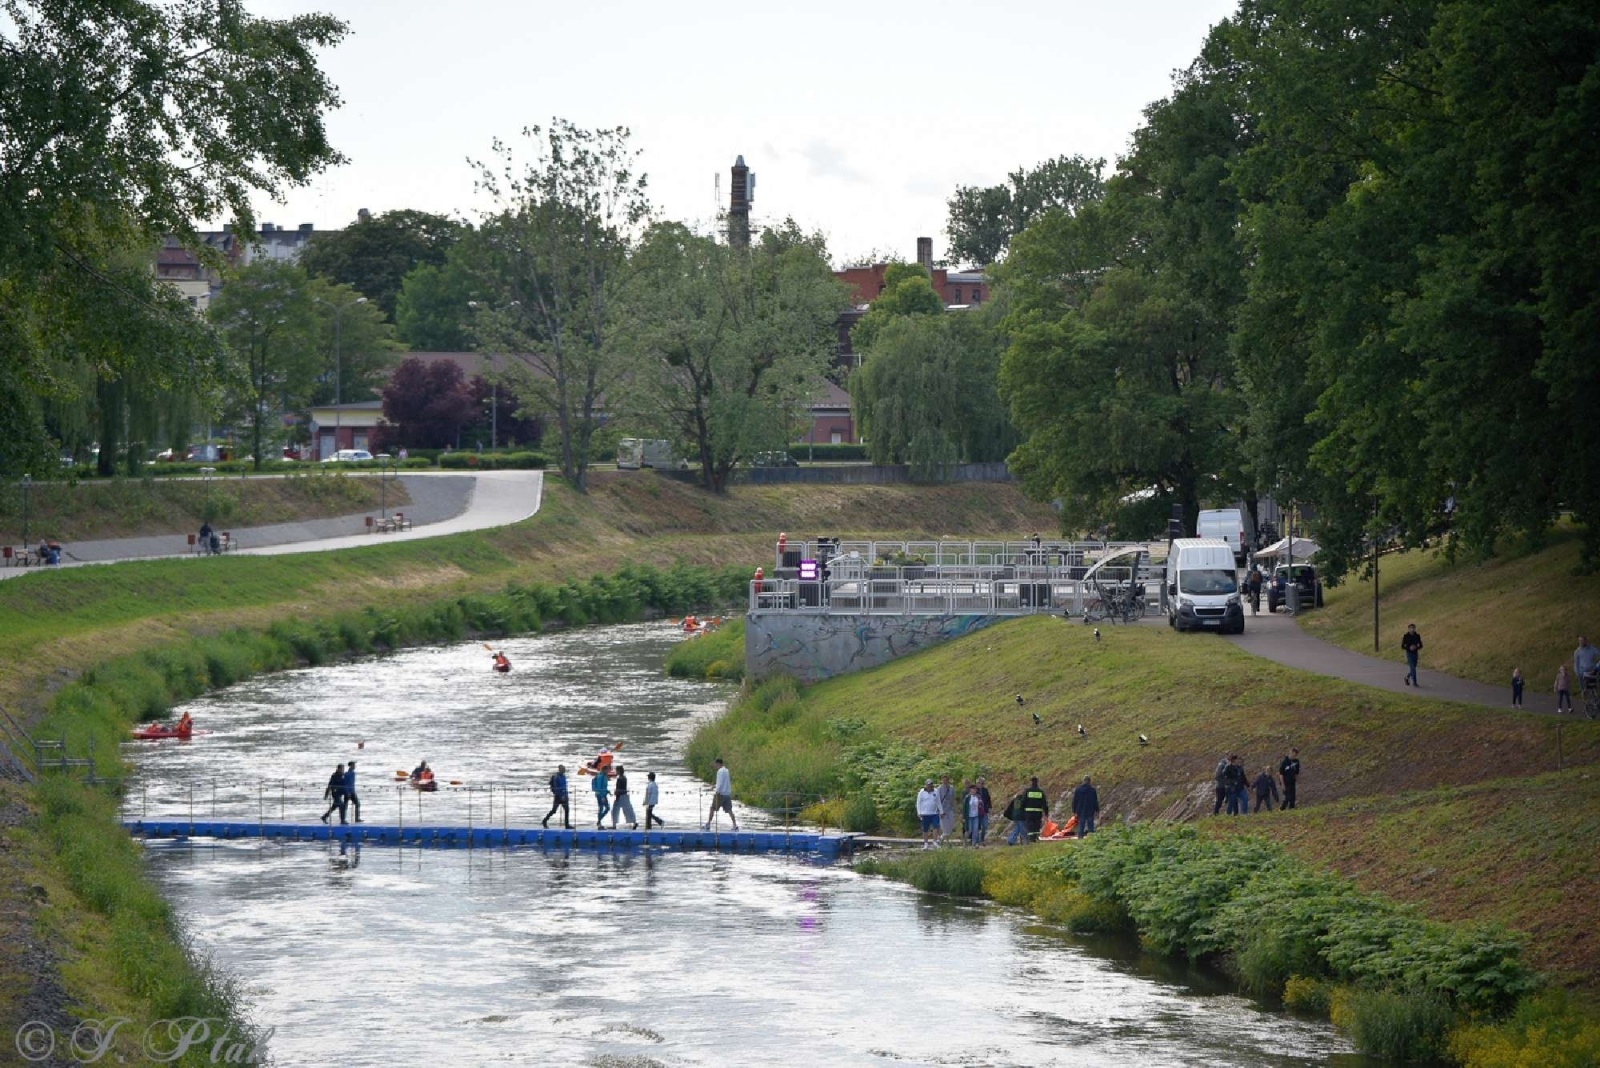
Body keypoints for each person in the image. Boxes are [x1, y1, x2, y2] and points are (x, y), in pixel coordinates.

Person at [703, 757, 738, 831]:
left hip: (720, 794)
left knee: (712, 808)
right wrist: (714, 786)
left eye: (715, 764)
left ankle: (708, 824)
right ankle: (735, 825)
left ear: (718, 764)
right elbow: (724, 782)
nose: (715, 766)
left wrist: (716, 791)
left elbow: (720, 783)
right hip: (727, 794)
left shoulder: (720, 771)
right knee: (729, 810)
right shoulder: (726, 770)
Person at [915, 779, 943, 849]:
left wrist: (941, 811)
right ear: (926, 785)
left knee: (936, 826)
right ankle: (926, 843)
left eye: (930, 785)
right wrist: (919, 812)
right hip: (925, 813)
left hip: (934, 813)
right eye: (928, 785)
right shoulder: (921, 792)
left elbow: (938, 801)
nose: (929, 787)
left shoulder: (936, 791)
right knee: (925, 829)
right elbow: (918, 802)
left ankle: (935, 842)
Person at [542, 764, 571, 829]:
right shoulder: (556, 777)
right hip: (558, 797)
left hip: (564, 796)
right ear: (560, 769)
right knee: (554, 810)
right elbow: (555, 788)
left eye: (565, 769)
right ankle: (544, 821)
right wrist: (560, 796)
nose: (564, 770)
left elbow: (565, 787)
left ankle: (567, 825)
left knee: (567, 810)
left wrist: (566, 795)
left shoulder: (564, 777)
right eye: (563, 769)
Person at [1020, 777, 1049, 841]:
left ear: (1031, 782)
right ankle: (1036, 838)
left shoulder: (1027, 791)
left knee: (1030, 826)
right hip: (1038, 813)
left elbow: (1023, 801)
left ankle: (1031, 839)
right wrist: (1046, 813)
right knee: (1037, 825)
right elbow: (1044, 803)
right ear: (1037, 782)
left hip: (1029, 812)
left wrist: (1021, 810)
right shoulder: (1040, 792)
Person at [610, 765, 638, 829]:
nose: (615, 771)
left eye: (616, 770)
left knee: (615, 811)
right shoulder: (625, 778)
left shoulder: (619, 779)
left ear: (619, 771)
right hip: (625, 796)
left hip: (620, 797)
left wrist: (616, 794)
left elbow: (618, 789)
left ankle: (614, 824)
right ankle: (633, 822)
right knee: (628, 810)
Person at [1576, 637, 1600, 707]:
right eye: (1580, 641)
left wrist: (1597, 665)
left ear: (1586, 641)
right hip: (1582, 673)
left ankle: (1594, 702)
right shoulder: (1577, 651)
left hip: (1592, 671)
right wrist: (1577, 673)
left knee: (1593, 688)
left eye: (1582, 641)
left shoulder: (1591, 649)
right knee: (1584, 690)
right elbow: (1576, 663)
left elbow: (1598, 654)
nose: (1581, 642)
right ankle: (1586, 706)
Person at [936, 774, 957, 841]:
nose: (945, 781)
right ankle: (946, 841)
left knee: (951, 825)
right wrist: (940, 811)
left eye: (946, 780)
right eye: (943, 780)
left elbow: (953, 798)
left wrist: (955, 808)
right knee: (945, 826)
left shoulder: (951, 788)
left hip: (950, 808)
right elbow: (937, 801)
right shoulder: (939, 789)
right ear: (941, 780)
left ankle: (942, 837)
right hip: (943, 810)